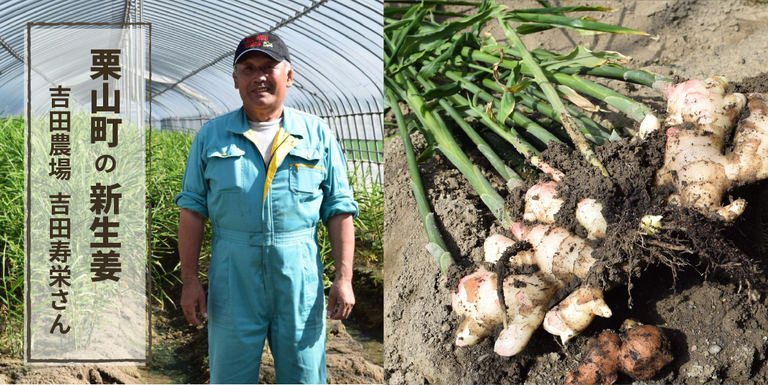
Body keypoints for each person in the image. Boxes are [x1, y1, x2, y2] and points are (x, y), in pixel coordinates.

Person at [174, 32, 358, 384]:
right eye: (248, 68)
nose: (258, 75)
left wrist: (344, 278)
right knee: (229, 376)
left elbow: (338, 209)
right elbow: (192, 212)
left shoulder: (317, 134)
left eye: (268, 67)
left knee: (305, 375)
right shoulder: (211, 137)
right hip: (232, 278)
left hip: (299, 278)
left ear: (288, 76)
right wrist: (190, 281)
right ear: (235, 79)